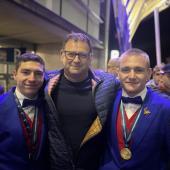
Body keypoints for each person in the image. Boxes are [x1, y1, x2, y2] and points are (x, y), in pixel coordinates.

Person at [44, 32, 119, 170]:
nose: (76, 60)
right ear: (62, 55)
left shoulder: (108, 84)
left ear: (90, 57)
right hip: (57, 165)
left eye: (82, 55)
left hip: (94, 164)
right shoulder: (46, 82)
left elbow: (134, 87)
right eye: (71, 54)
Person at [99, 48, 170, 170]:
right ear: (119, 72)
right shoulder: (106, 101)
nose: (131, 76)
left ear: (149, 74)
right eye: (126, 70)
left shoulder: (165, 108)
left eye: (138, 70)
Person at [0, 53, 48, 170]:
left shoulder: (49, 106)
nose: (32, 79)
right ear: (14, 74)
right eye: (26, 72)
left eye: (38, 74)